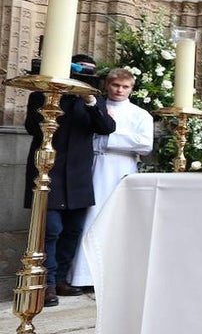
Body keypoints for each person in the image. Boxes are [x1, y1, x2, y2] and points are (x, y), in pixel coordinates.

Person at [24, 54, 116, 306]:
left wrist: (90, 101)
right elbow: (32, 127)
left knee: (73, 230)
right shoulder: (41, 94)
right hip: (48, 170)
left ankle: (62, 278)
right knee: (50, 230)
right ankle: (48, 283)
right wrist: (52, 97)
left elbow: (106, 127)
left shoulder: (93, 100)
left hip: (77, 174)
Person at [70, 68, 154, 290]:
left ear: (131, 89)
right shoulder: (92, 106)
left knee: (116, 218)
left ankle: (113, 274)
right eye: (116, 85)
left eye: (125, 87)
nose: (120, 90)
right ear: (107, 85)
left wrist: (108, 136)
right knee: (90, 216)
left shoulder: (140, 114)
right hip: (92, 165)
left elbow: (145, 144)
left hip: (121, 168)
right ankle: (82, 276)